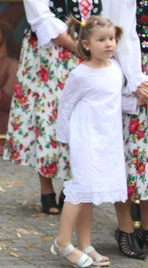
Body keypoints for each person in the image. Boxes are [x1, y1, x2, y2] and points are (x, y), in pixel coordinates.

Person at [4, 0, 105, 216]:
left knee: (83, 119)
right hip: (52, 56)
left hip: (87, 55)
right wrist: (76, 46)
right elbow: (40, 16)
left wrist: (96, 47)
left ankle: (73, 184)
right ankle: (47, 188)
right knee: (48, 118)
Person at [51, 16, 127, 267]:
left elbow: (116, 100)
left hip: (108, 138)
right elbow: (67, 105)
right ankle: (62, 242)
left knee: (90, 191)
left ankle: (85, 244)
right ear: (85, 43)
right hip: (85, 137)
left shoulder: (116, 69)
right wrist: (63, 138)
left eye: (112, 39)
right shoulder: (80, 74)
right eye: (102, 39)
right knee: (81, 187)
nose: (109, 44)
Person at [103, 0, 148, 260]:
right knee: (130, 155)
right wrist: (138, 80)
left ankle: (147, 226)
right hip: (136, 73)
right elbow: (123, 35)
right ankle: (125, 226)